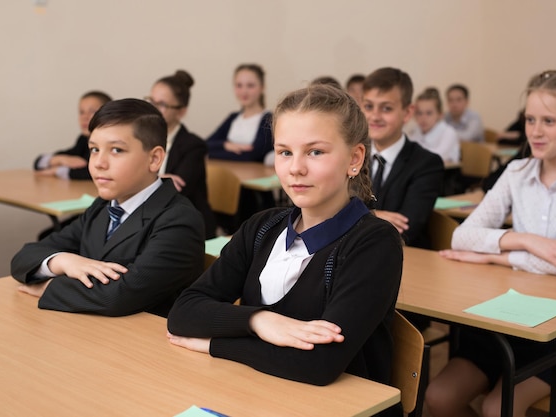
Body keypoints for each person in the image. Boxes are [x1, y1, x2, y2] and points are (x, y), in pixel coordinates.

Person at [166, 84, 403, 415]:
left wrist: (216, 344)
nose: (296, 169)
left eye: (315, 152)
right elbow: (184, 312)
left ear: (354, 158)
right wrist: (259, 321)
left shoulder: (375, 243)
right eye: (284, 152)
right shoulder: (262, 227)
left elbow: (318, 364)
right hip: (258, 395)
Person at [427, 66, 556, 417]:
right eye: (530, 120)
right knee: (438, 397)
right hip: (512, 314)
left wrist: (496, 257)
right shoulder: (517, 172)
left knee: (498, 407)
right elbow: (461, 236)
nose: (535, 132)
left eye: (549, 122)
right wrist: (526, 240)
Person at [11, 98, 205, 317]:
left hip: (142, 343)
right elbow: (24, 257)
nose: (98, 163)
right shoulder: (103, 206)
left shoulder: (179, 220)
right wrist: (63, 261)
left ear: (154, 159)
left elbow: (118, 296)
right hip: (90, 330)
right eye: (94, 149)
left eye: (116, 150)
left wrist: (47, 287)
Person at [361, 67, 444, 250]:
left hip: (403, 258)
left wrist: (349, 217)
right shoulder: (351, 156)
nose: (374, 116)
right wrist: (372, 215)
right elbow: (326, 214)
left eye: (386, 108)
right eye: (368, 106)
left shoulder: (427, 164)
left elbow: (405, 229)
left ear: (407, 113)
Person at [146, 70, 216, 238]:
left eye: (162, 104)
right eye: (151, 101)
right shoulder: (144, 139)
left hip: (186, 224)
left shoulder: (194, 146)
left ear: (181, 111)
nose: (153, 109)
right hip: (153, 217)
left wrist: (148, 180)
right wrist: (159, 180)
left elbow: (174, 191)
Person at [34, 91, 112, 179]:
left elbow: (95, 172)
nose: (84, 117)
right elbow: (38, 162)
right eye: (81, 112)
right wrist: (58, 159)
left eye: (92, 111)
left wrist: (58, 170)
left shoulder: (112, 143)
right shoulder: (83, 140)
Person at [206, 64, 273, 162]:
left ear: (262, 88)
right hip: (227, 174)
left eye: (250, 86)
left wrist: (212, 153)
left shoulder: (268, 119)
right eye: (239, 85)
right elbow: (204, 145)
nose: (244, 91)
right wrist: (226, 145)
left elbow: (253, 156)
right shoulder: (233, 118)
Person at [411, 87, 460, 163]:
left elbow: (435, 157)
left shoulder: (449, 132)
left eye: (429, 113)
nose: (423, 118)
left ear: (440, 114)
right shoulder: (416, 130)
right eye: (419, 113)